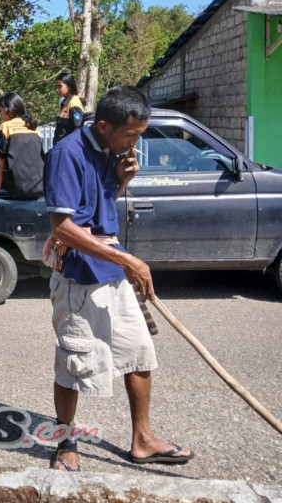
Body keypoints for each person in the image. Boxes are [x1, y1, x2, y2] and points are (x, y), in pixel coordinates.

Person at [42, 86, 193, 472]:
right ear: (104, 125)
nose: (135, 142)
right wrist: (128, 261)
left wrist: (122, 179)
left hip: (111, 268)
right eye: (131, 135)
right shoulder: (67, 154)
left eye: (140, 134)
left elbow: (101, 206)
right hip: (79, 273)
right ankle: (64, 442)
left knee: (140, 352)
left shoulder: (110, 151)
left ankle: (142, 439)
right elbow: (63, 227)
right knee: (73, 362)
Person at [0, 93, 44, 196]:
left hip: (17, 186)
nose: (0, 114)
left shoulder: (5, 126)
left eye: (1, 111)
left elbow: (1, 159)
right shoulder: (33, 126)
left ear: (10, 112)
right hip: (38, 184)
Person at [52, 72, 84, 146]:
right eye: (56, 87)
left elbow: (78, 129)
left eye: (60, 86)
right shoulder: (66, 103)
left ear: (69, 86)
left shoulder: (74, 103)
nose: (57, 90)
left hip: (67, 148)